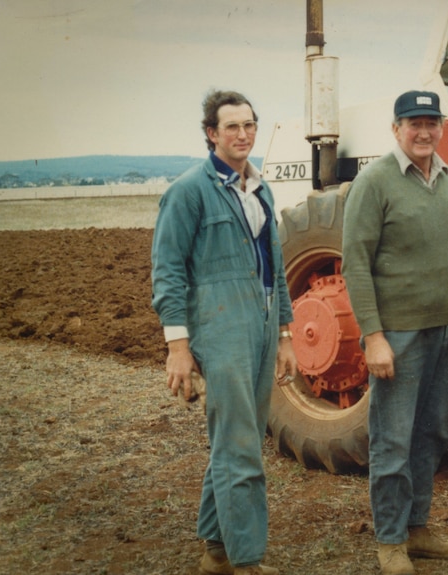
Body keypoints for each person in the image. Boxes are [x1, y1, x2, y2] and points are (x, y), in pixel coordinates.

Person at [151, 89, 297, 575]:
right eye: (231, 126)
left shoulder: (261, 188)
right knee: (239, 447)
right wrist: (178, 347)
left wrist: (284, 334)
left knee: (241, 438)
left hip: (260, 321)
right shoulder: (189, 190)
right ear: (211, 134)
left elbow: (274, 265)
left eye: (249, 125)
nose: (243, 134)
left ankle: (215, 550)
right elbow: (167, 269)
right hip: (219, 324)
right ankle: (247, 559)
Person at [341, 90, 448, 575]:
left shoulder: (446, 178)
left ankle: (418, 527)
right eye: (413, 123)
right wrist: (373, 335)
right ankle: (389, 539)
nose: (423, 132)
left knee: (434, 431)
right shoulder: (375, 182)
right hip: (399, 336)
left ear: (442, 127)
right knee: (393, 438)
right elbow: (355, 265)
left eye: (431, 122)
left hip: (446, 331)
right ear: (395, 128)